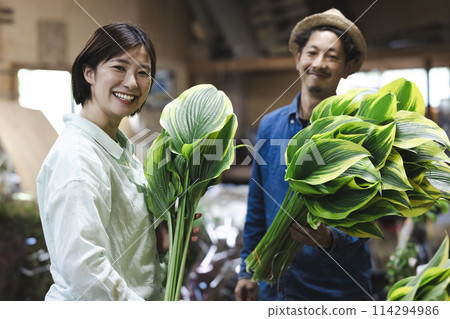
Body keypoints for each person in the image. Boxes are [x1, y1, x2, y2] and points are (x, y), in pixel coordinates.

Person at [235, 8, 371, 301]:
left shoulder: (358, 130)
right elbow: (257, 201)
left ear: (348, 68)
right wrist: (247, 270)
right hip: (277, 285)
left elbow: (370, 213)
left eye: (332, 56)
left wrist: (329, 238)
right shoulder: (271, 124)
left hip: (337, 288)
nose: (319, 63)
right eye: (312, 53)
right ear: (298, 59)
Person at [37, 23, 164, 300]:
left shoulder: (119, 148)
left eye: (143, 72)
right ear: (89, 72)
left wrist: (159, 236)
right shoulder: (77, 158)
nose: (132, 82)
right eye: (119, 67)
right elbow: (85, 272)